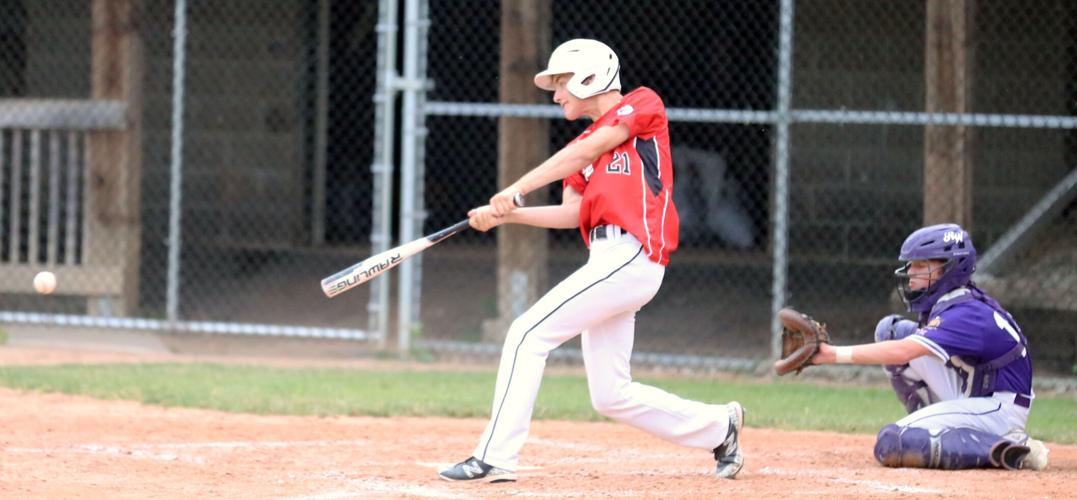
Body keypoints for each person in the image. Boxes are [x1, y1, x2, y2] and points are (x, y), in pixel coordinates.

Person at [437, 39, 744, 483]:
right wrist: (508, 215)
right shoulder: (584, 147)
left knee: (527, 334)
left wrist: (515, 188)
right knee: (610, 394)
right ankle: (720, 427)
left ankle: (494, 456)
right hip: (608, 259)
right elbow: (574, 213)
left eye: (562, 83)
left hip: (633, 253)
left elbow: (582, 153)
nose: (557, 94)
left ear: (590, 77)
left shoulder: (642, 105)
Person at [810, 223, 1049, 470]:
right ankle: (933, 431)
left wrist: (830, 354)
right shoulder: (954, 301)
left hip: (998, 408)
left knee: (892, 443)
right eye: (912, 264)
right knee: (891, 331)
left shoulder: (965, 313)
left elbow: (903, 351)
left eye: (922, 266)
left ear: (951, 269)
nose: (911, 272)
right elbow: (901, 345)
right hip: (975, 391)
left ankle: (1011, 446)